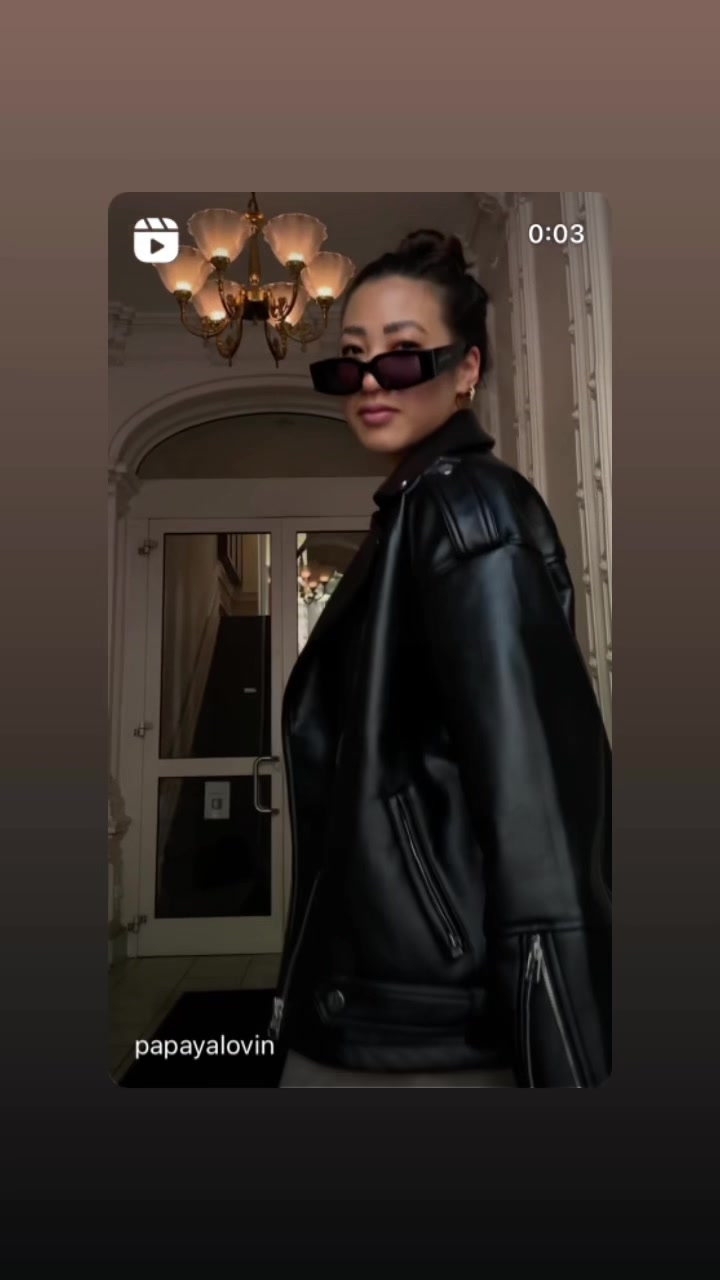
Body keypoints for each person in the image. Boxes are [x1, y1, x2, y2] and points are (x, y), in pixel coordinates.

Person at [269, 229, 611, 1088]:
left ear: (468, 370)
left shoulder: (465, 515)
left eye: (402, 355)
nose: (370, 382)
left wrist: (566, 1058)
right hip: (382, 1003)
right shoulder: (413, 515)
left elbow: (535, 803)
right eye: (350, 361)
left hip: (429, 1030)